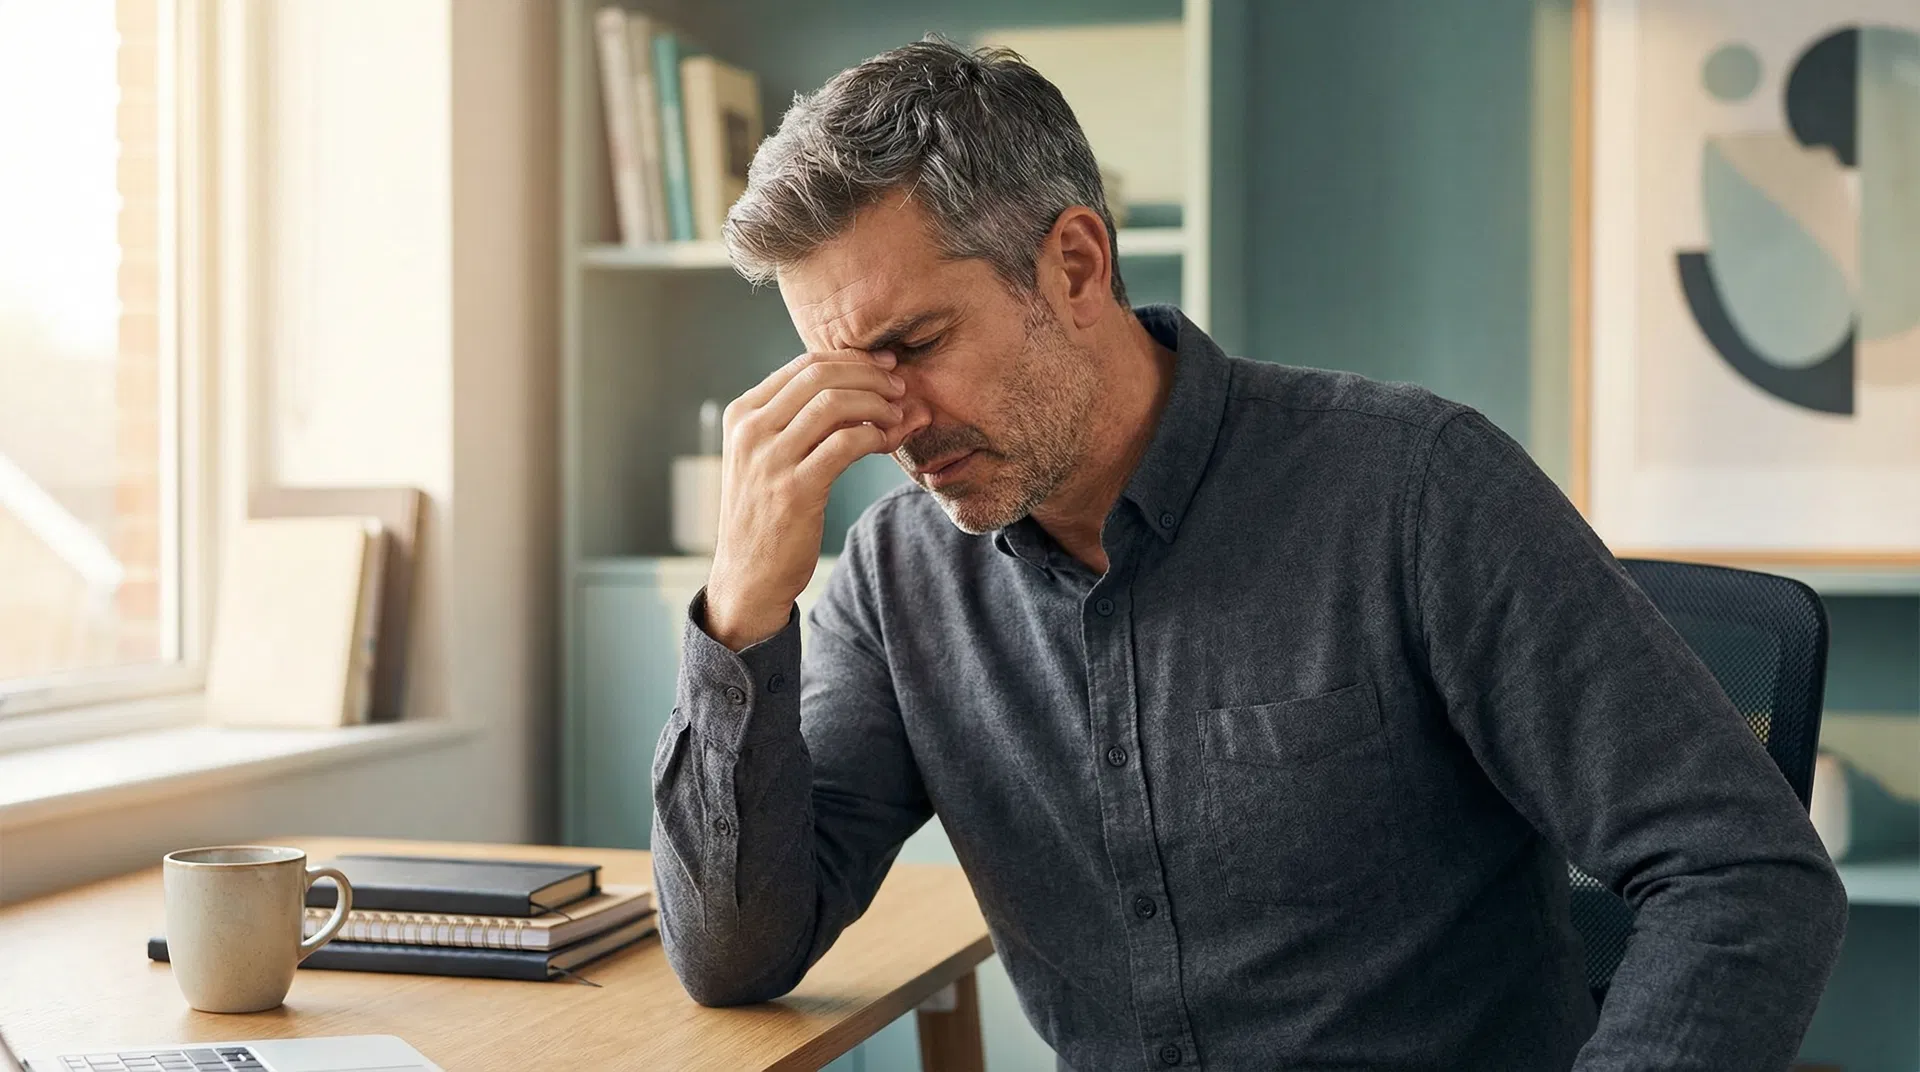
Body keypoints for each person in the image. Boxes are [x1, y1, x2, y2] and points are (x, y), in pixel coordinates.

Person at [650, 38, 1846, 1072]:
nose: (889, 420)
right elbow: (738, 953)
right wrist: (746, 605)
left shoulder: (1413, 489)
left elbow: (1741, 871)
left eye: (914, 342)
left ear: (1075, 264)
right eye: (841, 371)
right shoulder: (894, 578)